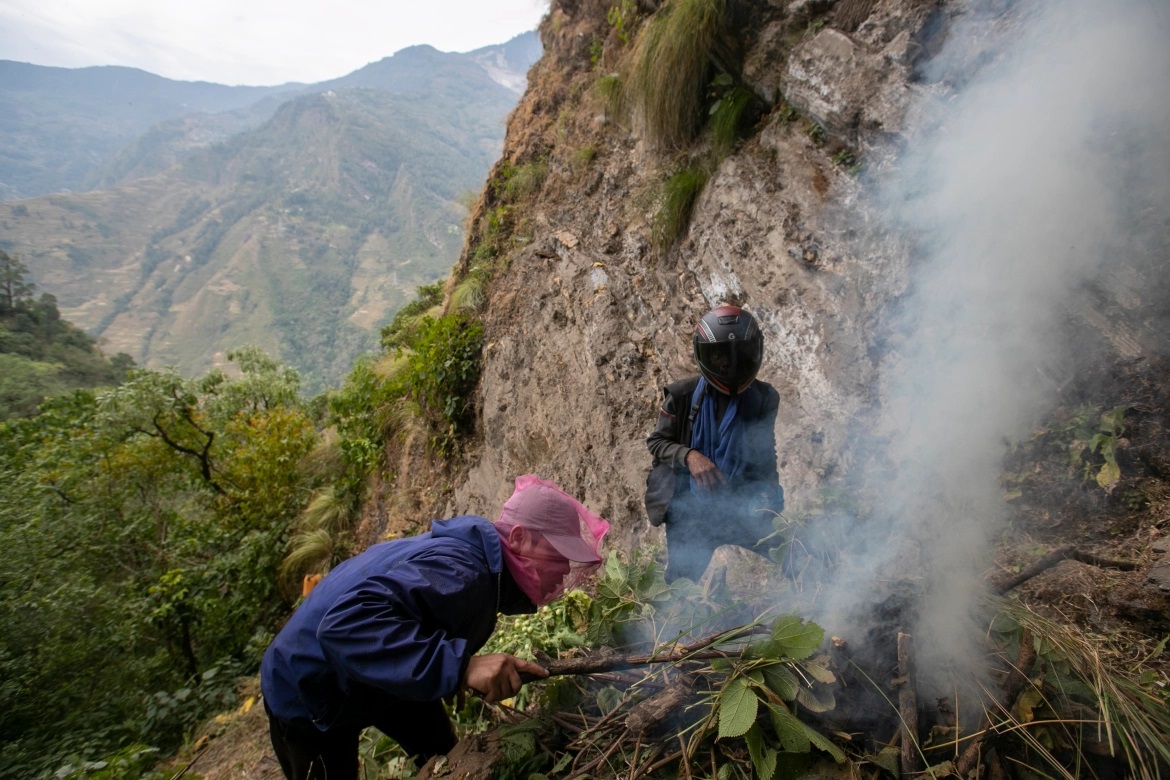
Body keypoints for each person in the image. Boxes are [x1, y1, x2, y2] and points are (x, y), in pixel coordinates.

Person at [261, 475, 610, 779]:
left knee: (445, 756)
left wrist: (445, 667)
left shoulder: (483, 570)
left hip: (378, 674)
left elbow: (413, 611)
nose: (565, 570)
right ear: (519, 537)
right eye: (559, 554)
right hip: (309, 688)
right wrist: (459, 666)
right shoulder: (463, 569)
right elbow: (344, 624)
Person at [645, 305, 784, 583]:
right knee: (681, 586)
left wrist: (771, 499)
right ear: (704, 355)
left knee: (791, 553)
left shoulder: (765, 398)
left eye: (740, 355)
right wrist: (690, 456)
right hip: (691, 512)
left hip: (740, 505)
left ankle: (829, 609)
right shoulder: (681, 396)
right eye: (720, 356)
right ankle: (680, 626)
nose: (729, 365)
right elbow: (657, 442)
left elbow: (764, 453)